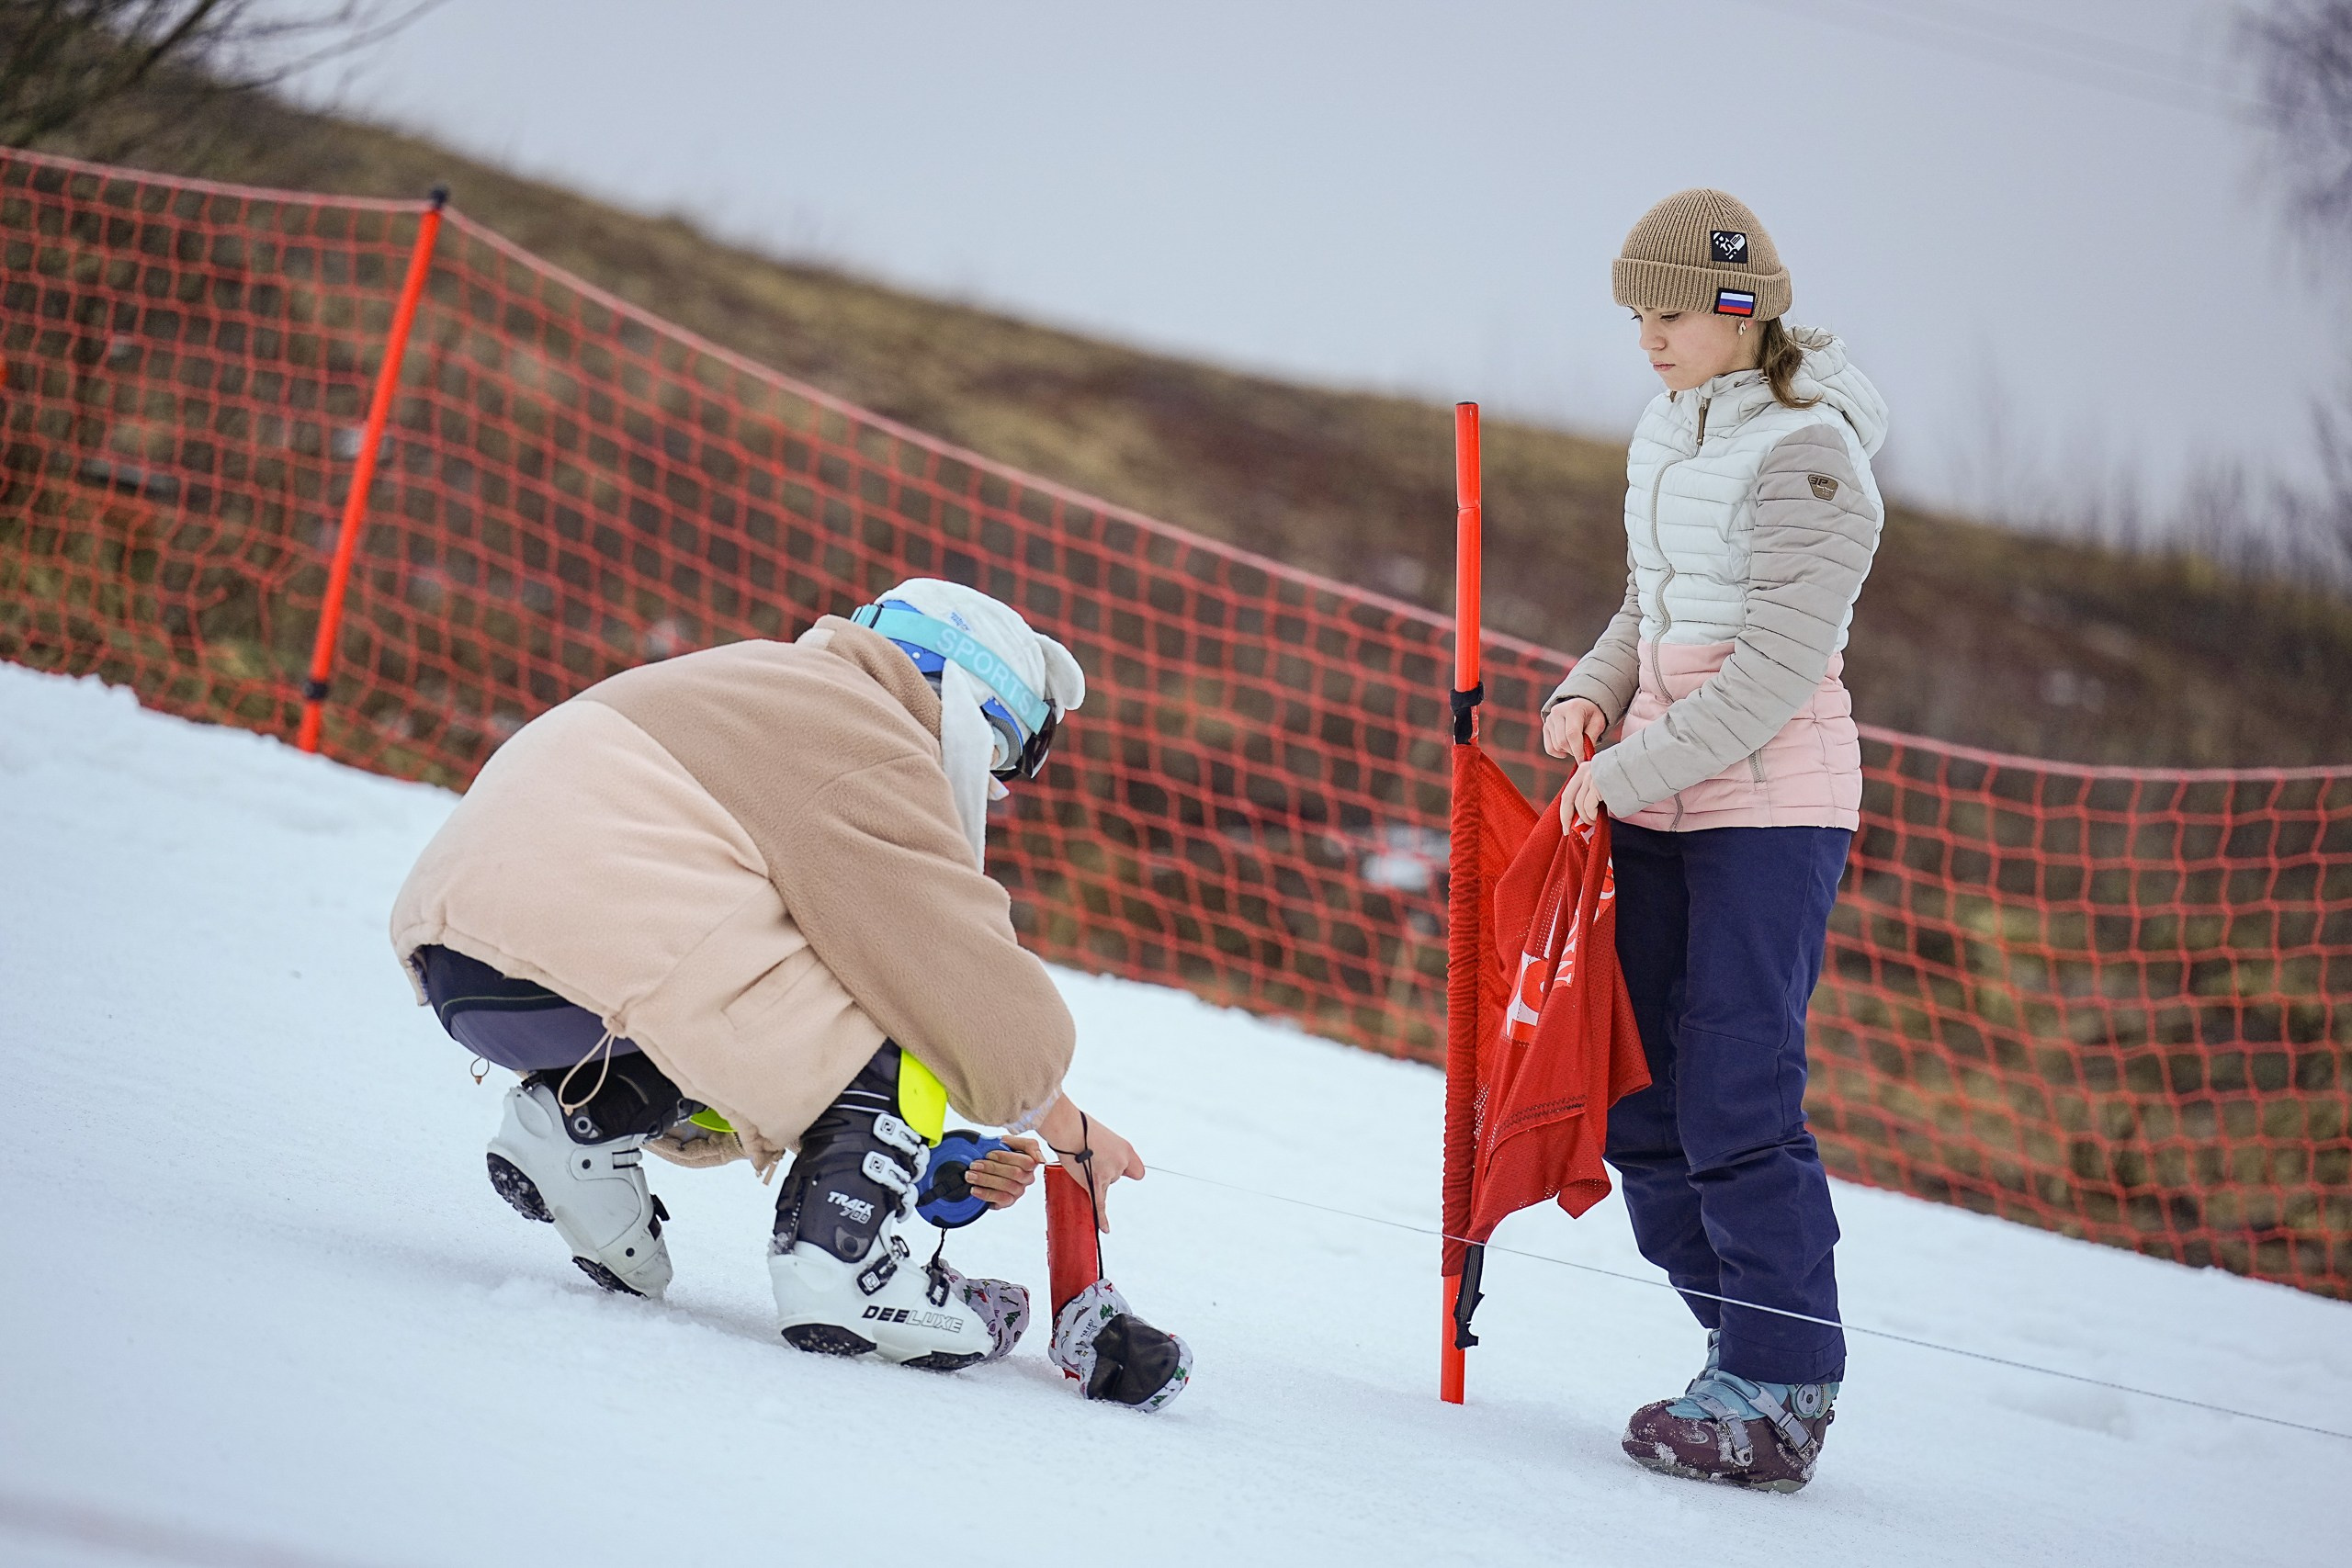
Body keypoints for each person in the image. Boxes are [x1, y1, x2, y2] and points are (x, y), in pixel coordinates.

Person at [390, 578, 1163, 1388]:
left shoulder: (752, 680)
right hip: (590, 963)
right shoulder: (869, 737)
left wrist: (941, 1155)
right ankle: (843, 1267)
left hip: (471, 964)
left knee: (803, 964)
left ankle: (577, 1123)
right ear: (963, 705)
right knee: (896, 995)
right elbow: (964, 991)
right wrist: (1068, 1125)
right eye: (995, 754)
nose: (989, 786)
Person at [1542, 189, 1888, 1491]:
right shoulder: (1672, 429)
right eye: (1636, 313)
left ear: (1741, 308)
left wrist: (1627, 764)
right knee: (1639, 1101)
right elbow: (1655, 600)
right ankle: (1735, 1353)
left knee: (1737, 1099)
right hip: (1664, 803)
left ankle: (1785, 1386)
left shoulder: (1810, 457)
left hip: (1770, 812)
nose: (1648, 337)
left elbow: (1770, 673)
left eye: (1671, 311)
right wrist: (1594, 687)